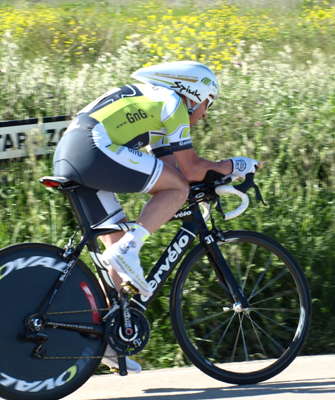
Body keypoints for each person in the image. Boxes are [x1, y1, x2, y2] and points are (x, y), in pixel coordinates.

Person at [52, 61, 259, 374]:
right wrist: (235, 165)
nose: (205, 114)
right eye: (208, 103)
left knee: (116, 242)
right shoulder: (172, 102)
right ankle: (130, 248)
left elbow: (175, 172)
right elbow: (189, 171)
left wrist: (216, 179)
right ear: (194, 94)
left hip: (72, 153)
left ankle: (105, 339)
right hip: (92, 148)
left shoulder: (156, 107)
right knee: (164, 203)